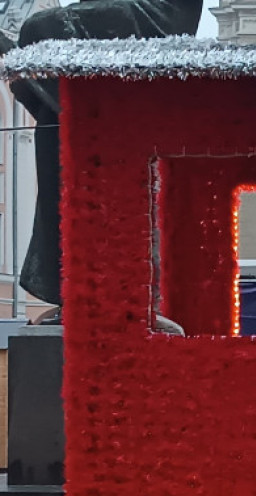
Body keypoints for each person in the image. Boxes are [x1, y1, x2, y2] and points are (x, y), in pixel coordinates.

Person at [7, 0, 203, 323]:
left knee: (40, 31)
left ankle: (119, 294)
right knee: (54, 122)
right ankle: (74, 292)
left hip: (158, 10)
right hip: (113, 27)